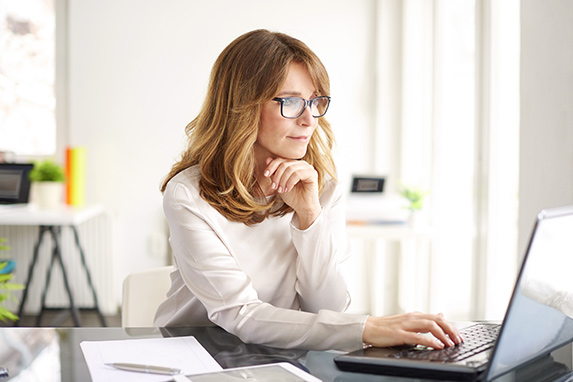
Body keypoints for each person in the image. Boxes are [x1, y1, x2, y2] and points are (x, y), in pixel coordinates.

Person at [154, 29, 462, 352]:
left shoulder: (322, 186)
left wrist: (310, 216)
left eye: (315, 102)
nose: (309, 119)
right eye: (290, 102)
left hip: (274, 355)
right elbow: (241, 314)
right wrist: (369, 327)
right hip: (190, 354)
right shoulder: (188, 196)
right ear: (242, 106)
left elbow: (326, 309)